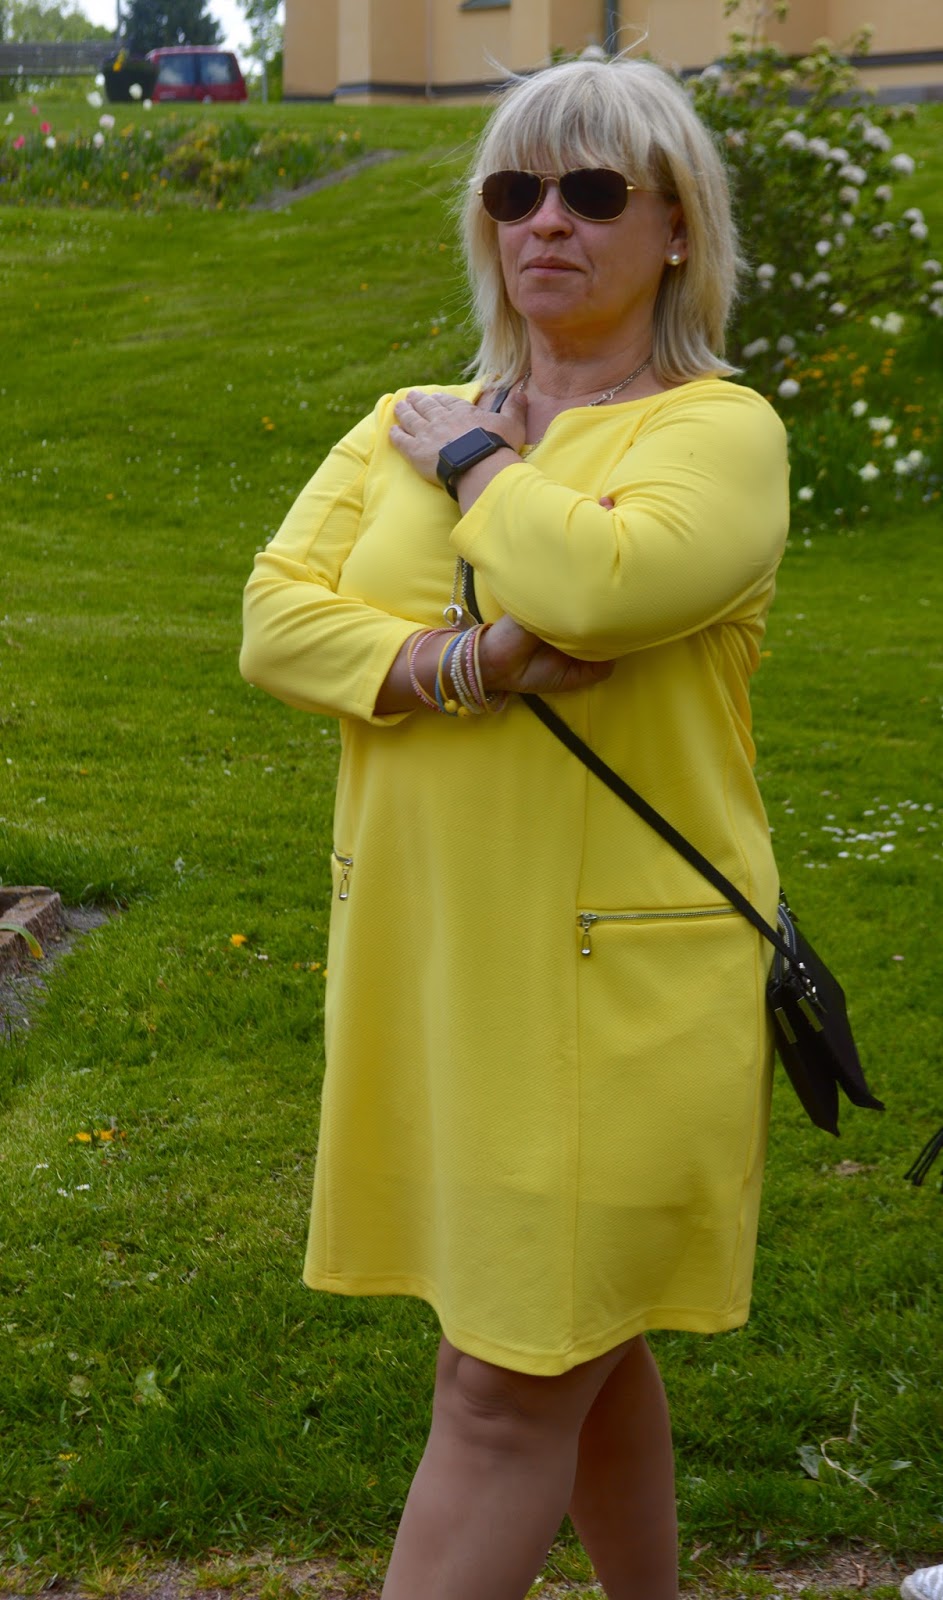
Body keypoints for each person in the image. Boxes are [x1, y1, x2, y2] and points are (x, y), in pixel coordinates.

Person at [240, 56, 790, 1600]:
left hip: (616, 991)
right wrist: (459, 664)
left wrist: (478, 462)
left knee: (499, 1389)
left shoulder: (716, 432)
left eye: (594, 191)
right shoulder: (401, 418)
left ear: (676, 229)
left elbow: (599, 589)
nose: (547, 220)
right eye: (515, 189)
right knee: (572, 1350)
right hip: (439, 969)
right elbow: (276, 623)